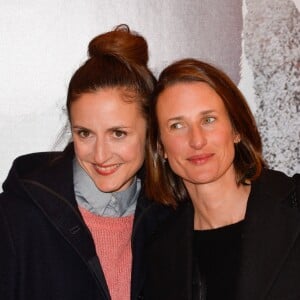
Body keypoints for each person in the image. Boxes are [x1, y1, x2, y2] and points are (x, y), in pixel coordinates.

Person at [0, 25, 169, 300]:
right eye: (85, 133)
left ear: (152, 130)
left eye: (118, 133)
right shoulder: (14, 219)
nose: (100, 155)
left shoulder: (170, 221)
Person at [143, 58, 300, 300]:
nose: (197, 140)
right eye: (177, 125)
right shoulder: (159, 253)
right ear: (160, 147)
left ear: (236, 129)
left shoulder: (293, 208)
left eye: (208, 120)